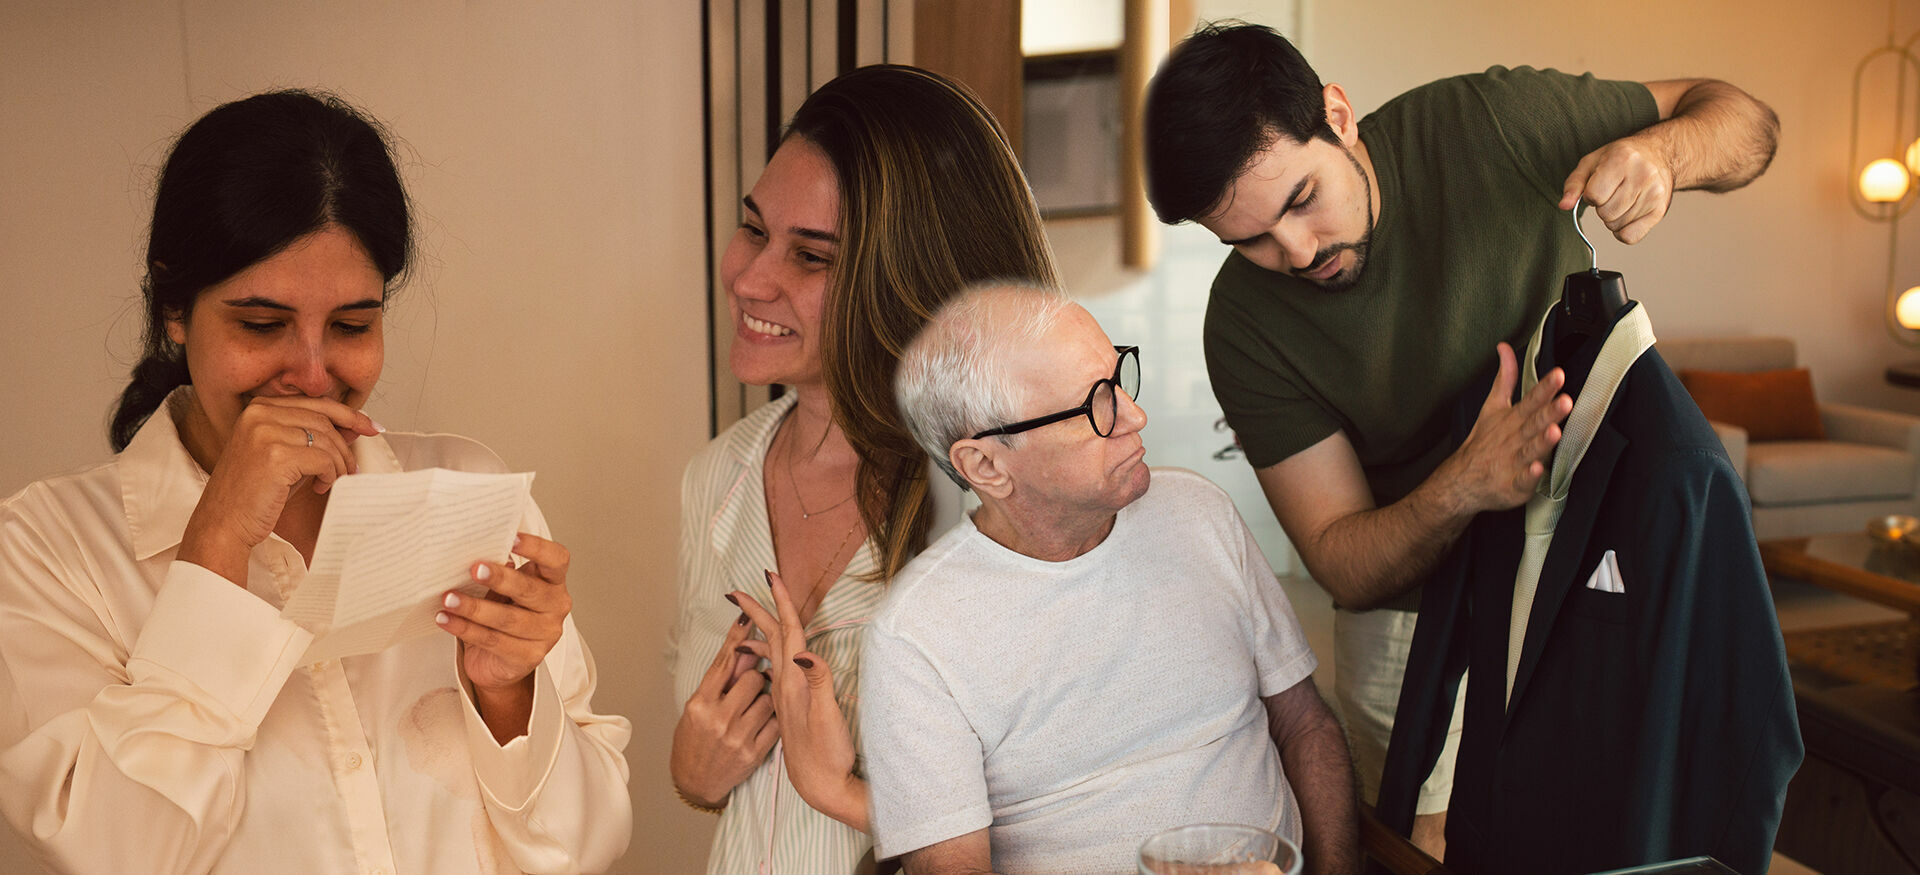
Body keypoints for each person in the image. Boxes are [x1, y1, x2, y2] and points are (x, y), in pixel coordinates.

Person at [1141, 21, 1778, 853]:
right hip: (1407, 606)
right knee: (1426, 841)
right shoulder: (1241, 326)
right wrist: (1464, 485)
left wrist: (1664, 156)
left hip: (1590, 562)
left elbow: (1746, 124)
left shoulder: (1492, 122)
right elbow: (1339, 556)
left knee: (1609, 814)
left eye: (1300, 201)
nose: (1297, 253)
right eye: (1249, 240)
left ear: (1338, 115)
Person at [0, 90, 631, 874]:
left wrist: (508, 698)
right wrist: (217, 549)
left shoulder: (467, 489)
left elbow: (591, 843)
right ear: (173, 306)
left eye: (352, 325)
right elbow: (118, 852)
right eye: (261, 325)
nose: (311, 370)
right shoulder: (48, 551)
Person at [666, 65, 1059, 873]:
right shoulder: (715, 481)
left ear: (910, 283)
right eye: (754, 229)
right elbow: (729, 775)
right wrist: (693, 776)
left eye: (810, 256)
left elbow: (1059, 821)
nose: (748, 276)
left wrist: (840, 786)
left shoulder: (1001, 508)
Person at [862, 283, 1359, 875]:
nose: (1135, 415)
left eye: (1119, 378)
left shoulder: (1199, 513)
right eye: (1096, 404)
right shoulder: (917, 633)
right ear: (987, 465)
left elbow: (1306, 725)